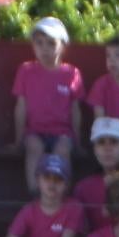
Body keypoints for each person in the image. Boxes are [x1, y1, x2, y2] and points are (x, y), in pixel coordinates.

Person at [12, 17, 83, 181]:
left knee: (63, 149)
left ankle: (61, 193)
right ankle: (35, 193)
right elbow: (21, 107)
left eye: (51, 43)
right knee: (33, 147)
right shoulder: (26, 71)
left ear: (63, 46)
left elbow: (75, 110)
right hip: (34, 130)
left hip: (63, 132)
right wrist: (18, 140)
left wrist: (78, 142)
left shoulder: (72, 73)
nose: (44, 48)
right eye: (39, 43)